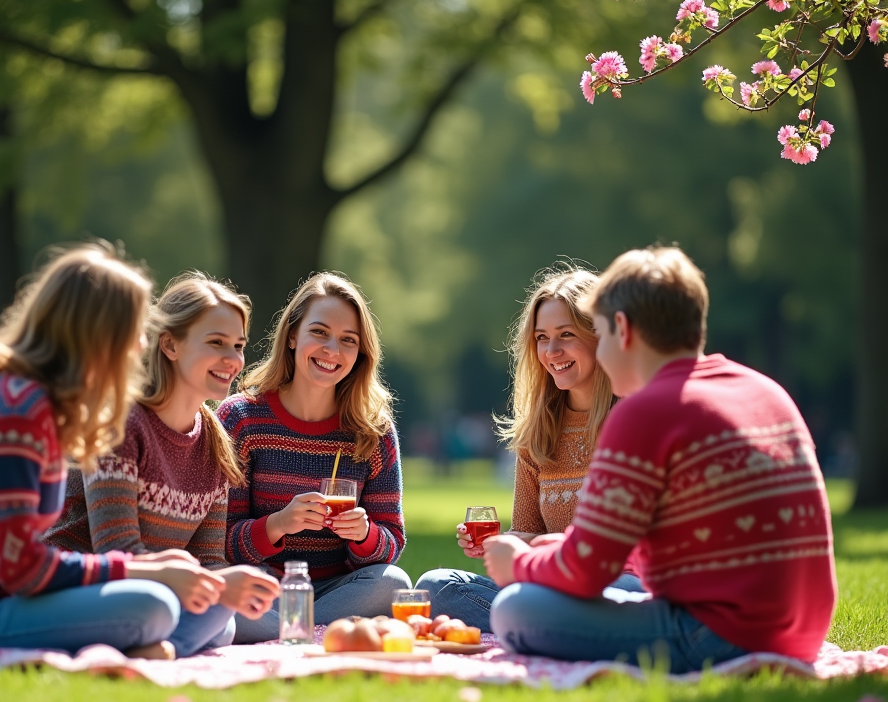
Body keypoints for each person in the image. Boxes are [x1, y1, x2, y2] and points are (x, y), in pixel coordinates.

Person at [485, 247, 837, 673]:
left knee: (515, 610)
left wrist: (517, 562)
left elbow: (588, 574)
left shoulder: (645, 411)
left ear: (621, 329)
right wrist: (558, 547)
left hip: (720, 635)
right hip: (804, 633)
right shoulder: (767, 391)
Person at [0, 244, 230, 659]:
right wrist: (147, 569)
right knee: (153, 607)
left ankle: (146, 647)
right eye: (132, 329)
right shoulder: (17, 408)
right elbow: (22, 568)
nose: (141, 345)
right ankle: (143, 646)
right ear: (97, 332)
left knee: (212, 613)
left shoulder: (38, 404)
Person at [44, 271, 280, 656]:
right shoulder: (122, 423)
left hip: (159, 592)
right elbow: (115, 552)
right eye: (216, 343)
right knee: (162, 608)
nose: (233, 359)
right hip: (85, 586)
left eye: (238, 345)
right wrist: (216, 586)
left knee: (226, 621)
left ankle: (152, 647)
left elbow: (209, 560)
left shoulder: (215, 441)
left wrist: (234, 584)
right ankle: (154, 644)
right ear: (169, 345)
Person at [414, 267, 640, 630]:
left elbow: (641, 542)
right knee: (437, 587)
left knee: (620, 589)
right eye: (542, 337)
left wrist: (548, 544)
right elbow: (526, 534)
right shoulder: (538, 434)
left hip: (616, 582)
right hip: (550, 586)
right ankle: (555, 625)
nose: (552, 351)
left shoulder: (635, 419)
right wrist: (503, 544)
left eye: (566, 335)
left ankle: (546, 624)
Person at [218, 272, 410, 643]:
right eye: (319, 332)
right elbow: (219, 539)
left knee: (393, 583)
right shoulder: (241, 418)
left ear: (360, 354)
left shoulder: (374, 431)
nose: (332, 351)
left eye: (347, 341)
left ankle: (291, 632)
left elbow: (392, 542)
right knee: (220, 604)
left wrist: (365, 534)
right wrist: (278, 523)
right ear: (292, 336)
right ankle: (322, 633)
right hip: (263, 591)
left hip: (337, 590)